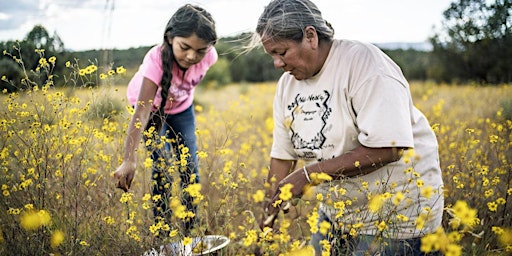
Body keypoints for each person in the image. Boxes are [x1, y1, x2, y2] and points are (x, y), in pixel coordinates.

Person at [252, 0, 444, 255]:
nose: (277, 63)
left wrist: (308, 175)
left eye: (282, 52)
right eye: (272, 55)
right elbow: (282, 157)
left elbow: (389, 147)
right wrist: (265, 227)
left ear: (310, 36)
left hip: (395, 220)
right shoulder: (287, 86)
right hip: (336, 216)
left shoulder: (365, 64)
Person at [114, 4, 218, 236]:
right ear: (170, 38)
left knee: (190, 168)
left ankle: (190, 231)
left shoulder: (210, 57)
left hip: (182, 110)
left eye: (200, 51)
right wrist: (128, 159)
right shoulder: (156, 60)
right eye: (185, 47)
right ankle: (162, 232)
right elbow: (140, 113)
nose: (192, 56)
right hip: (150, 111)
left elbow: (185, 82)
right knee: (161, 167)